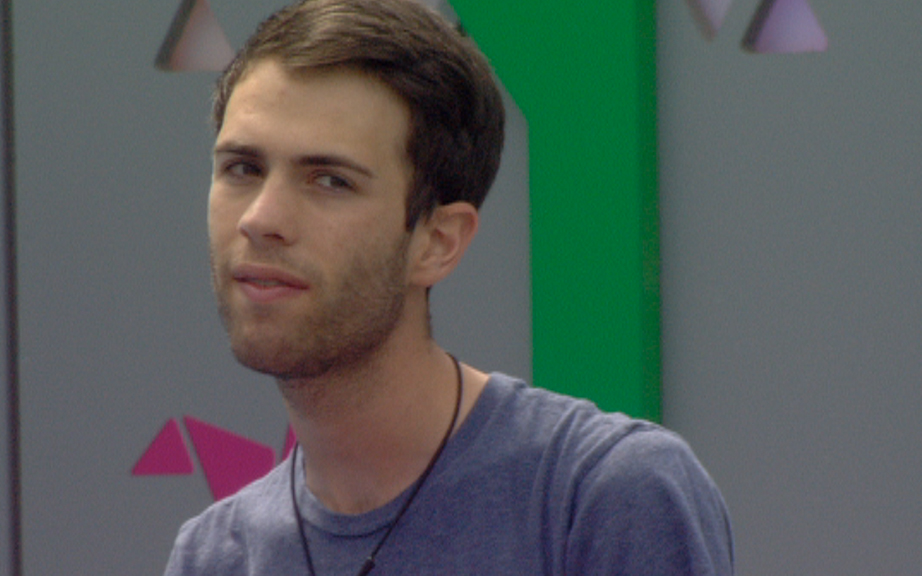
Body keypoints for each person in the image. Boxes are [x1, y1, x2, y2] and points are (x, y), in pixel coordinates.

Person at [164, 0, 733, 574]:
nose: (260, 219)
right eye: (242, 168)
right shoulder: (212, 557)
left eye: (330, 180)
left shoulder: (603, 495)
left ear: (438, 242)